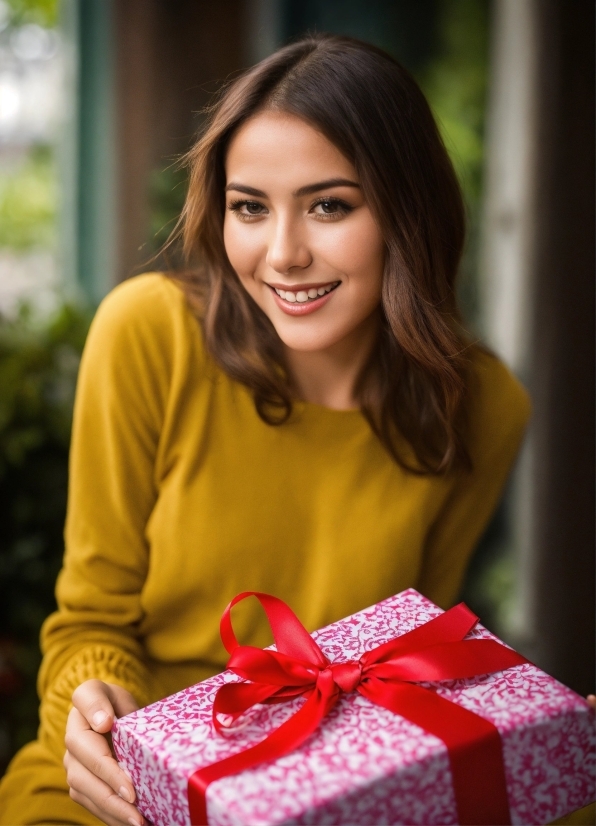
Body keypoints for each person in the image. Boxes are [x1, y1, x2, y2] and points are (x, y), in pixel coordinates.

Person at [1, 33, 587, 826]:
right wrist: (93, 715)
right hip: (125, 791)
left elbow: (405, 661)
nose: (282, 254)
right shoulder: (147, 334)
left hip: (323, 795)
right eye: (249, 207)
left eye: (330, 205)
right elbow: (91, 623)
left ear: (406, 213)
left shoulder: (483, 405)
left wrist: (528, 734)